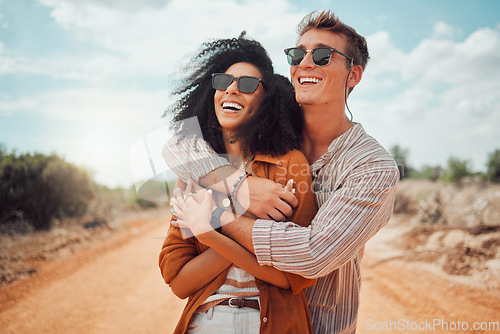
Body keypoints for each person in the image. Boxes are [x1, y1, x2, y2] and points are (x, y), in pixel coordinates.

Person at [163, 10, 400, 334]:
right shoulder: (268, 135)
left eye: (322, 55)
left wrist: (220, 219)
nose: (305, 62)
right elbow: (179, 147)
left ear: (353, 75)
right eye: (297, 54)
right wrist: (239, 186)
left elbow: (313, 254)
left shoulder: (372, 168)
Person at [159, 33, 318, 333]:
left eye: (247, 85)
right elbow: (179, 281)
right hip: (205, 322)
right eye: (223, 82)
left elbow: (291, 276)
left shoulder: (290, 164)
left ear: (265, 100)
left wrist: (211, 231)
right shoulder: (193, 172)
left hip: (270, 323)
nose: (232, 90)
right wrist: (249, 224)